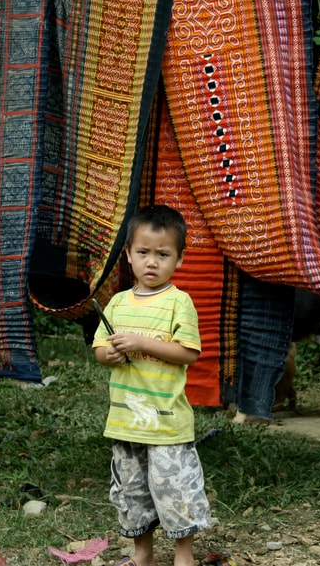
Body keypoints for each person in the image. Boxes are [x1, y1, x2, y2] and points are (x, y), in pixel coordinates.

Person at [92, 204, 210, 566]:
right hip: (126, 423)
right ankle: (141, 553)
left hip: (167, 425)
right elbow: (100, 347)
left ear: (179, 258)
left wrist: (141, 344)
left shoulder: (179, 303)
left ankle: (183, 555)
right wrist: (108, 356)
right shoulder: (117, 303)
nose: (152, 263)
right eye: (143, 252)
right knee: (133, 493)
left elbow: (188, 353)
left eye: (163, 254)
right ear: (128, 254)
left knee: (176, 491)